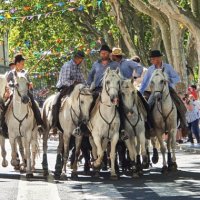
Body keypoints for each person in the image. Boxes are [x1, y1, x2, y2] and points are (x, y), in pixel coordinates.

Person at [139, 50, 187, 134]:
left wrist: (169, 81)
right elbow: (145, 82)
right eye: (152, 59)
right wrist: (139, 93)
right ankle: (149, 128)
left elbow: (177, 78)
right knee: (147, 107)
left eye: (154, 58)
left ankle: (184, 126)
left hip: (168, 90)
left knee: (181, 105)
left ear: (159, 58)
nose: (153, 60)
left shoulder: (168, 67)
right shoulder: (150, 70)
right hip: (155, 92)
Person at [1, 54, 45, 138]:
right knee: (5, 107)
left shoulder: (25, 73)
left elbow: (29, 83)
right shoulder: (11, 73)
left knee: (34, 104)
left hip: (25, 93)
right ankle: (3, 126)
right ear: (17, 63)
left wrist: (30, 85)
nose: (23, 64)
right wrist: (13, 85)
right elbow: (7, 84)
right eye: (22, 62)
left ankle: (39, 123)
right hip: (14, 94)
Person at [51, 50, 86, 132]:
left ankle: (84, 124)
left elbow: (82, 80)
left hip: (76, 88)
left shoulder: (78, 67)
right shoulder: (68, 66)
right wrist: (74, 82)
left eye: (81, 58)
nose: (80, 60)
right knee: (56, 102)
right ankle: (54, 124)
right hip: (65, 87)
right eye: (79, 58)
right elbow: (65, 81)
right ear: (76, 57)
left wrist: (87, 87)